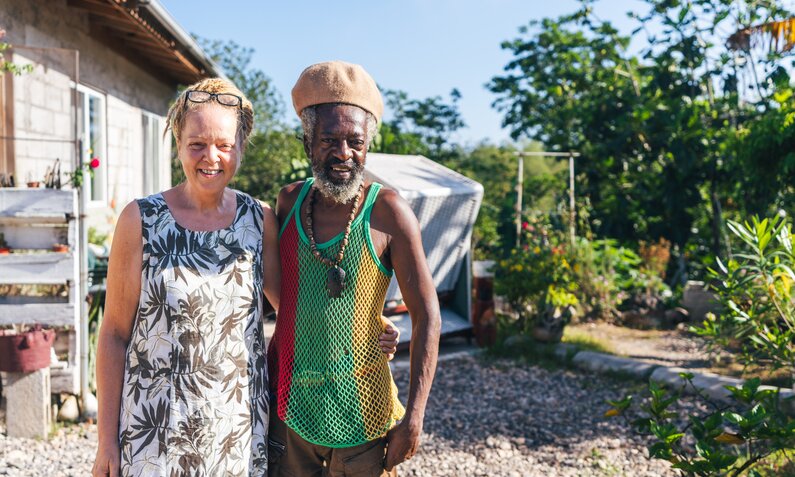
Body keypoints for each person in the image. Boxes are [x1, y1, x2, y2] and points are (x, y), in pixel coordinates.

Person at [91, 78, 398, 477]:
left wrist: (370, 324)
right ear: (178, 145)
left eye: (224, 144)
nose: (211, 157)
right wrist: (106, 443)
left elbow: (294, 306)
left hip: (237, 434)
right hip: (154, 432)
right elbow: (114, 334)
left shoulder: (259, 219)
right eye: (197, 144)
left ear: (241, 147)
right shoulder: (141, 220)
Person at [267, 61, 442, 477]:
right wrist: (355, 321)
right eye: (329, 139)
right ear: (307, 142)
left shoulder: (390, 212)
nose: (344, 154)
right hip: (290, 414)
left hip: (365, 418)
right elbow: (285, 293)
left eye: (355, 141)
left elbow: (428, 314)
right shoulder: (288, 204)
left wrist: (413, 417)